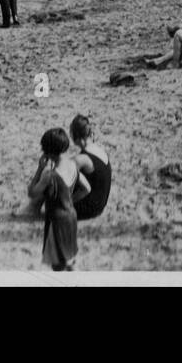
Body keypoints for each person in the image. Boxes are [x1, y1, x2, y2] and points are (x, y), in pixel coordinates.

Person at [27, 127, 89, 271]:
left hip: (56, 222)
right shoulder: (73, 165)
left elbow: (31, 193)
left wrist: (39, 169)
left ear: (48, 152)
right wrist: (68, 200)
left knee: (58, 266)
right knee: (69, 259)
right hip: (71, 216)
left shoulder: (49, 175)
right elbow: (86, 188)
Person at [70, 115, 112, 221]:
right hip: (100, 205)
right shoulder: (100, 150)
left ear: (75, 136)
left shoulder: (83, 158)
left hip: (89, 209)